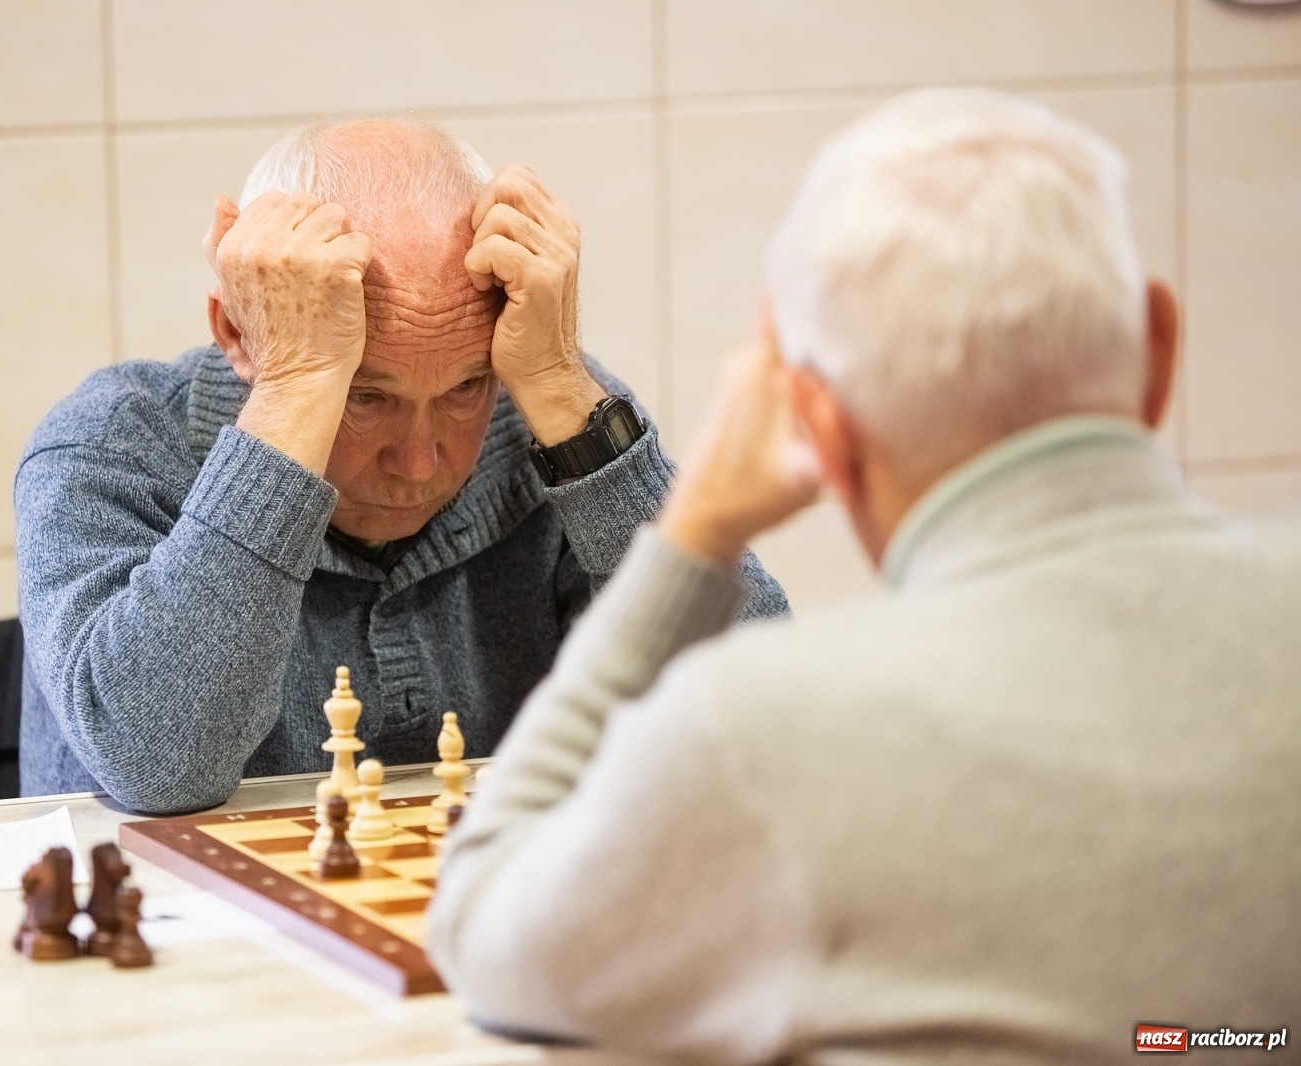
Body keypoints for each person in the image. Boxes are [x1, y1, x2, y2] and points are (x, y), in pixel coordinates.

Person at [428, 89, 1301, 1063]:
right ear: (1157, 348)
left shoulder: (768, 724)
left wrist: (692, 536)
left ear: (822, 431)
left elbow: (485, 925)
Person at [14, 119, 789, 814]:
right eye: (364, 396)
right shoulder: (112, 443)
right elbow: (158, 767)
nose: (419, 462)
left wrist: (557, 383)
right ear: (236, 332)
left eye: (463, 389)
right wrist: (296, 389)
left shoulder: (549, 416)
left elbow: (759, 713)